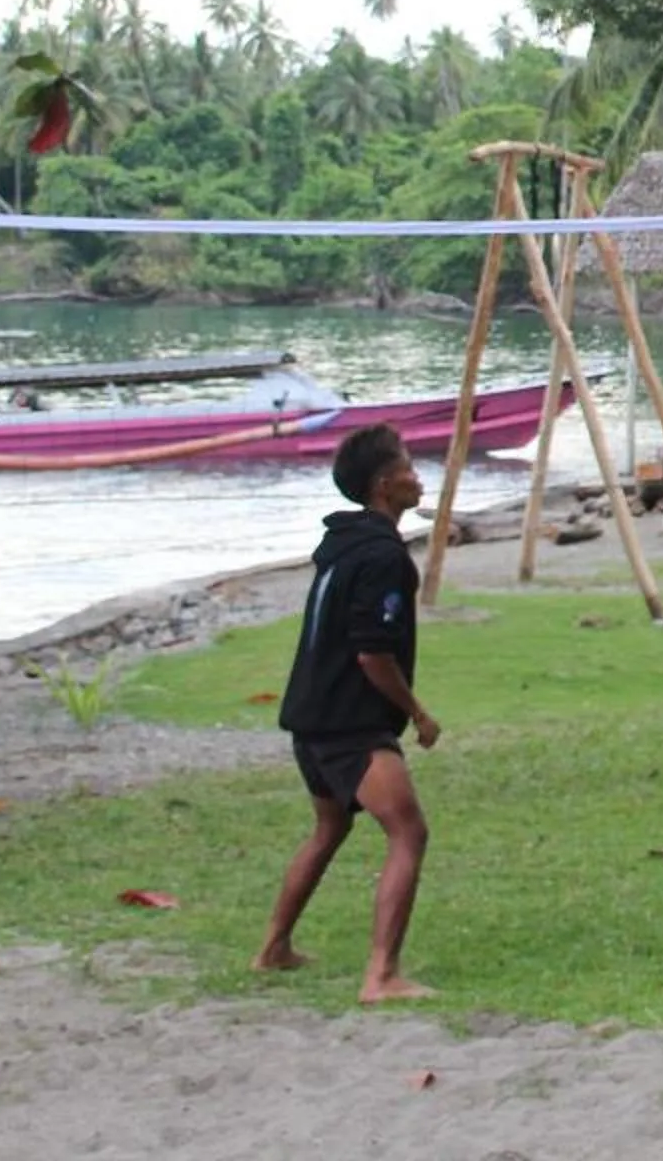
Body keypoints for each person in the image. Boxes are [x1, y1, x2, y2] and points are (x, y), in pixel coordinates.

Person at [257, 421, 441, 1004]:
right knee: (408, 831)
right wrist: (417, 713)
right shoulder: (383, 556)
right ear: (385, 485)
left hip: (309, 718)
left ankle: (274, 949)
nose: (418, 477)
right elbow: (371, 653)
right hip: (348, 724)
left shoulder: (342, 545)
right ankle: (381, 976)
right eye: (408, 467)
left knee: (331, 827)